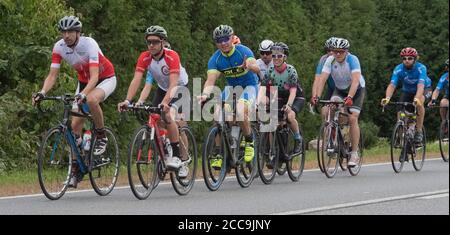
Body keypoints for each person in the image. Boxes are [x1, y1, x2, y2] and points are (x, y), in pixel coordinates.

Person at [32, 16, 117, 187]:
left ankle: (101, 135)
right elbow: (52, 75)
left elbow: (94, 77)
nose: (66, 35)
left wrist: (83, 94)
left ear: (78, 33)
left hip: (104, 78)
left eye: (70, 31)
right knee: (74, 127)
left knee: (92, 100)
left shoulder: (89, 44)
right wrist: (42, 92)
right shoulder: (59, 47)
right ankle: (76, 170)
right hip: (84, 82)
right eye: (63, 32)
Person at [117, 25, 189, 176]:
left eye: (155, 42)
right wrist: (128, 100)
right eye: (149, 42)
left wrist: (166, 103)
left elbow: (174, 83)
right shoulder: (144, 57)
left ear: (163, 42)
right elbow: (137, 80)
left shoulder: (172, 56)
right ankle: (167, 146)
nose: (151, 45)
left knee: (168, 115)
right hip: (163, 88)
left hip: (179, 87)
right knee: (156, 118)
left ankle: (178, 157)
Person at [198, 25, 261, 169]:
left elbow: (256, 68)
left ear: (232, 38)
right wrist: (205, 95)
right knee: (218, 116)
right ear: (216, 43)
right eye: (219, 40)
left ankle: (249, 140)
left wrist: (250, 66)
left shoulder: (243, 51)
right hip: (231, 88)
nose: (223, 43)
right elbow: (210, 80)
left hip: (249, 86)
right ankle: (219, 151)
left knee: (239, 112)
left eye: (226, 39)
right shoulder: (216, 59)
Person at [315, 38, 366, 167]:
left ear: (346, 51)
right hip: (339, 89)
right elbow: (322, 79)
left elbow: (355, 81)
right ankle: (333, 139)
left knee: (353, 118)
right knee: (327, 109)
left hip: (356, 89)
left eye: (341, 52)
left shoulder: (352, 60)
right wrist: (317, 96)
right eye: (334, 51)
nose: (337, 54)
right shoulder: (330, 60)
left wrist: (350, 97)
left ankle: (354, 153)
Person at [258, 42, 304, 155]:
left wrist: (289, 105)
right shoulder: (270, 70)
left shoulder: (290, 70)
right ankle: (273, 150)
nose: (276, 58)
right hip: (278, 96)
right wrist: (259, 103)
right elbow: (263, 89)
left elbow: (293, 90)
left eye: (279, 56)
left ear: (285, 57)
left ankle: (298, 139)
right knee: (273, 121)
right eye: (273, 56)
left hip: (295, 96)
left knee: (289, 116)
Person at [381, 47, 428, 145]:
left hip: (424, 89)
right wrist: (387, 98)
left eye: (410, 58)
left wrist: (416, 98)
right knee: (400, 109)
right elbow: (392, 85)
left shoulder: (421, 68)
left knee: (419, 104)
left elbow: (420, 85)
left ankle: (419, 131)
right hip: (407, 91)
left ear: (415, 59)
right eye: (404, 58)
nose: (406, 60)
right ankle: (400, 134)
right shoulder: (398, 69)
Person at [311, 37, 338, 117]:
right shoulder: (324, 59)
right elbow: (317, 80)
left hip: (344, 89)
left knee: (343, 114)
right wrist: (314, 96)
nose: (330, 53)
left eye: (333, 50)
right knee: (324, 112)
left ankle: (345, 128)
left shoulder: (341, 59)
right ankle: (327, 128)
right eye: (328, 50)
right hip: (332, 88)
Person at [428, 59, 449, 126]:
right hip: (448, 96)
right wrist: (433, 100)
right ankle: (444, 121)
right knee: (443, 103)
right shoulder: (444, 77)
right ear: (447, 68)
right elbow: (437, 90)